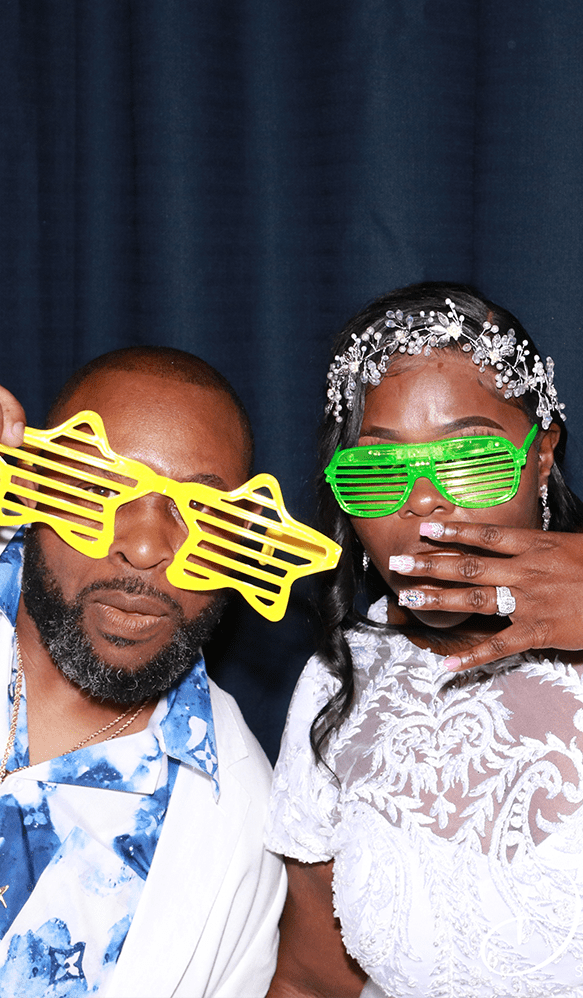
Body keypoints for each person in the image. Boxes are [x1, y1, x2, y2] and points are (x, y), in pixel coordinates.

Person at [265, 282, 583, 997]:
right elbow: (312, 978)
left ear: (542, 457)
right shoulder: (335, 678)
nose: (423, 500)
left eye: (469, 457)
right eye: (378, 469)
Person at [0, 346, 286, 998]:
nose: (147, 544)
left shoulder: (244, 821)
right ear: (32, 483)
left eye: (202, 512)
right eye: (101, 487)